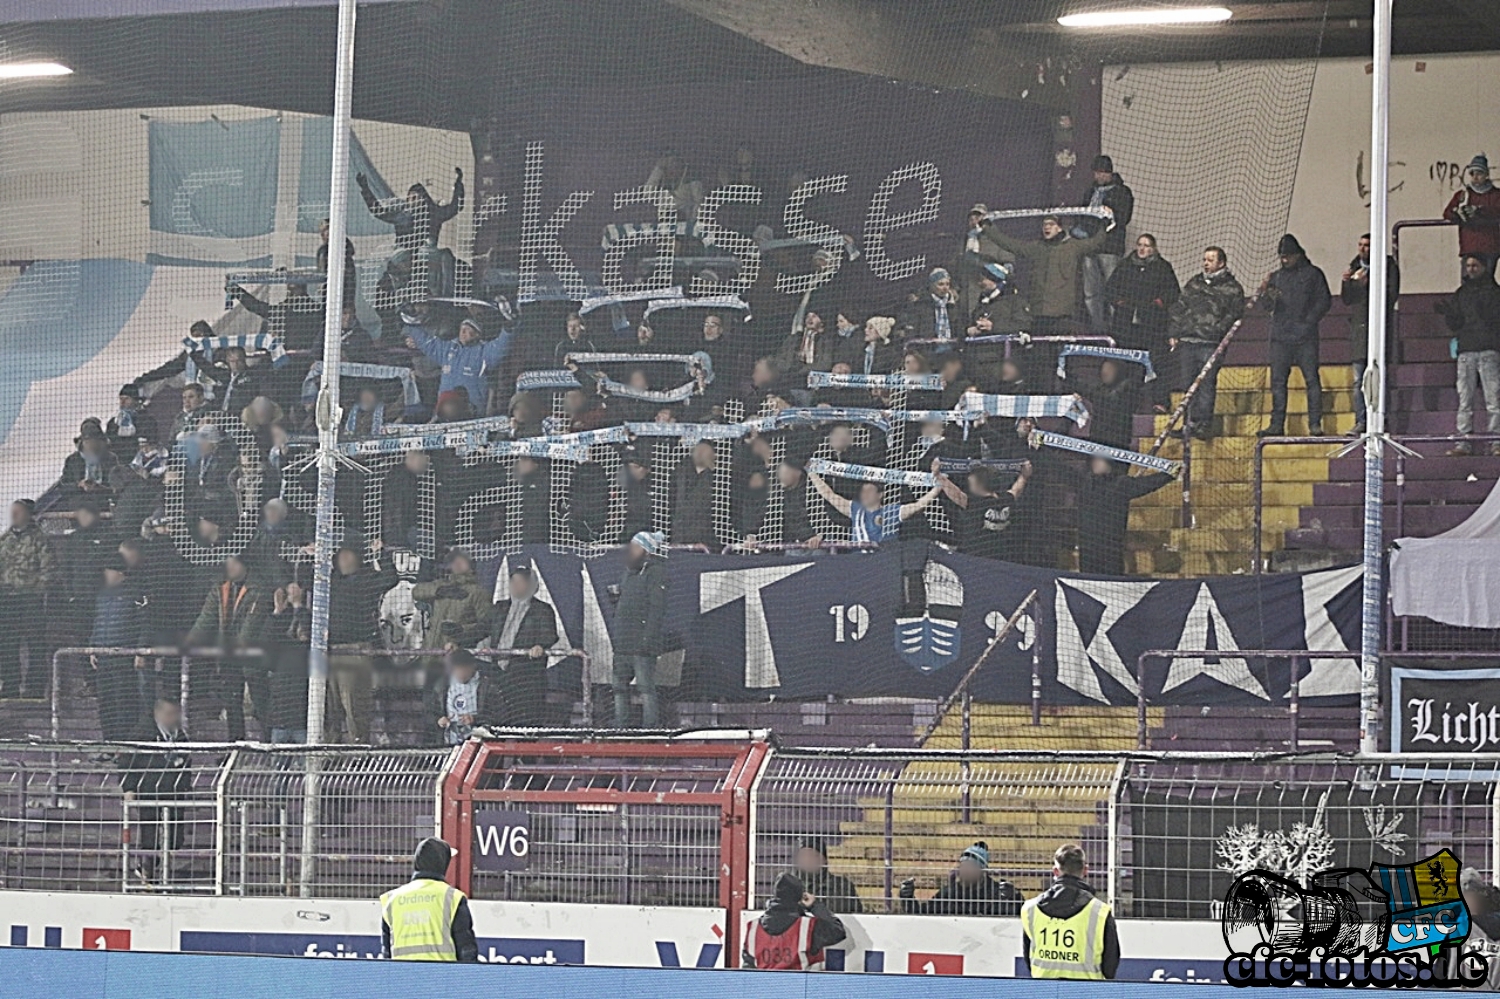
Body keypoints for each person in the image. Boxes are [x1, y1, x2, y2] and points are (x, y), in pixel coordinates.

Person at [984, 213, 1110, 338]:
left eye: (1051, 224)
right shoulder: (1037, 247)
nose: (1046, 227)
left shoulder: (1073, 246)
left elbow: (1096, 243)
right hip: (1038, 314)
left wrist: (1104, 224)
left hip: (1062, 315)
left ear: (1059, 228)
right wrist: (988, 229)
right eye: (1044, 224)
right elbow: (1011, 245)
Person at [184, 555, 269, 741]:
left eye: (233, 563)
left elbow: (251, 625)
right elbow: (206, 618)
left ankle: (268, 743)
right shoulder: (220, 587)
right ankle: (235, 745)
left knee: (260, 702)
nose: (229, 568)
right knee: (232, 703)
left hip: (253, 657)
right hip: (229, 657)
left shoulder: (259, 588)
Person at [1257, 234, 1332, 437]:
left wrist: (1307, 322)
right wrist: (1265, 292)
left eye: (1288, 256)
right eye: (1282, 257)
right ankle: (1276, 424)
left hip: (1304, 336)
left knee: (1311, 380)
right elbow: (1266, 306)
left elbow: (1324, 302)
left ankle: (1315, 423)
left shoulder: (1313, 274)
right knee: (1278, 382)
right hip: (1281, 337)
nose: (1284, 260)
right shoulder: (1276, 277)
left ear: (1298, 255)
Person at [1168, 246, 1246, 440]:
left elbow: (1234, 315)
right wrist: (1175, 332)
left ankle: (1204, 424)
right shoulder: (1194, 283)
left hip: (1210, 343)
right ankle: (1188, 423)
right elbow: (1179, 307)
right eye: (1204, 259)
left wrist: (1216, 330)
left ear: (1221, 263)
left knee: (1206, 384)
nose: (1206, 263)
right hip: (1188, 341)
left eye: (1210, 260)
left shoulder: (1233, 288)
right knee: (1188, 385)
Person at [120, 697, 193, 884]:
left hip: (174, 792)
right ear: (158, 713)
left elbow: (186, 762)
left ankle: (155, 865)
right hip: (149, 790)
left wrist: (185, 785)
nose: (173, 718)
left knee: (176, 837)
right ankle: (148, 872)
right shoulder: (142, 733)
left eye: (176, 713)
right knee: (150, 834)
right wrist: (129, 787)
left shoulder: (180, 735)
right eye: (169, 714)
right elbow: (127, 761)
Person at [1021, 843, 1120, 980]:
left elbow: (1028, 958)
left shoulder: (1030, 909)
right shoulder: (1100, 912)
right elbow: (1110, 965)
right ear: (1085, 870)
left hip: (1044, 991)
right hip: (1087, 992)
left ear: (1055, 871)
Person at [1433, 253, 1500, 455]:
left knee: (1494, 399)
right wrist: (1448, 314)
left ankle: (1496, 440)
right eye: (1468, 265)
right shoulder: (1461, 293)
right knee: (1465, 399)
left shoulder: (1494, 293)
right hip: (1466, 349)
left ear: (1484, 267)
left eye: (1475, 265)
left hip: (1488, 348)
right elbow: (1456, 324)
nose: (1470, 269)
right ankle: (1464, 441)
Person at [1105, 234, 1180, 409]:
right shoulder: (1125, 266)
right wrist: (1120, 302)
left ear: (1153, 248)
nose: (1142, 249)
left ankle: (1160, 402)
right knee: (1129, 365)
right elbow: (1110, 290)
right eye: (1139, 245)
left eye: (1146, 245)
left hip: (1154, 326)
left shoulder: (1162, 267)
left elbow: (1173, 293)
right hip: (1127, 325)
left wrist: (1158, 303)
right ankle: (1128, 403)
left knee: (1158, 364)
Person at [327, 545, 392, 743]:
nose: (344, 560)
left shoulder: (367, 580)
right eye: (341, 556)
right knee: (330, 707)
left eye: (349, 554)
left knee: (354, 706)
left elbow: (390, 578)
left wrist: (382, 553)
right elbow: (304, 581)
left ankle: (358, 750)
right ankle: (331, 752)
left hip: (355, 649)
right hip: (329, 650)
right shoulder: (331, 581)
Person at [380, 836, 479, 963]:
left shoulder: (391, 900)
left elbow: (386, 955)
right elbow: (467, 951)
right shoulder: (452, 898)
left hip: (402, 979)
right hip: (443, 979)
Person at [1340, 234, 1400, 436]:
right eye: (1360, 245)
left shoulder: (1388, 265)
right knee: (1359, 381)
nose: (1363, 249)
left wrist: (1370, 285)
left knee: (1380, 377)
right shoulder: (1354, 265)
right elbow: (1347, 299)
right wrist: (1347, 282)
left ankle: (1382, 418)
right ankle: (1361, 420)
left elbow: (1391, 296)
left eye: (1367, 245)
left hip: (1380, 329)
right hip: (1359, 332)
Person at [486, 564, 560, 727]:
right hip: (499, 673)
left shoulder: (542, 610)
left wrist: (540, 645)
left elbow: (550, 635)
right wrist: (459, 638)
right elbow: (482, 629)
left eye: (520, 582)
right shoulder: (500, 608)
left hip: (526, 675)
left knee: (526, 721)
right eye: (513, 582)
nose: (515, 586)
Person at [1075, 458, 1177, 575]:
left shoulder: (1121, 484)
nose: (1096, 463)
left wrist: (1171, 473)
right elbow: (1061, 470)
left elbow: (1148, 483)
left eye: (1100, 460)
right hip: (1087, 549)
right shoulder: (1085, 483)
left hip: (1111, 550)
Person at [0, 499, 58, 699]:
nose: (13, 515)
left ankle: (35, 687)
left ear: (28, 514)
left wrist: (34, 589)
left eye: (18, 511)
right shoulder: (6, 539)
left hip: (30, 600)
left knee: (35, 644)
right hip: (7, 600)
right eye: (12, 511)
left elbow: (48, 570)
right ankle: (10, 685)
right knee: (7, 645)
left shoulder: (39, 539)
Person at [89, 559, 152, 741]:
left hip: (124, 656)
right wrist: (93, 646)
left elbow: (145, 623)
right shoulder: (102, 595)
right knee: (106, 702)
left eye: (109, 570)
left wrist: (140, 650)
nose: (106, 575)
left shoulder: (136, 593)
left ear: (119, 572)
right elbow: (98, 621)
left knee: (123, 702)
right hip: (103, 657)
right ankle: (109, 742)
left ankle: (124, 744)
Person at [612, 531, 668, 728]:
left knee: (645, 689)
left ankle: (650, 729)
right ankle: (621, 729)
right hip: (623, 644)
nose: (631, 550)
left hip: (642, 645)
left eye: (636, 547)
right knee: (619, 688)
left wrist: (648, 639)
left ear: (646, 551)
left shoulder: (656, 572)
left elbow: (656, 609)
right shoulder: (628, 573)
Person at [742, 872, 848, 970]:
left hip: (763, 988)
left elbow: (747, 968)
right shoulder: (808, 927)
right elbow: (838, 931)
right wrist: (814, 905)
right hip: (801, 987)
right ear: (800, 897)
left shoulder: (753, 927)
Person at [406, 318, 512, 415]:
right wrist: (410, 321)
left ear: (477, 334)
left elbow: (501, 346)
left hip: (472, 413)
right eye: (462, 329)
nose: (463, 333)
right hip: (444, 413)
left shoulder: (483, 352)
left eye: (468, 331)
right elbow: (427, 342)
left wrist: (508, 329)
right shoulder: (447, 349)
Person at [806, 471, 941, 547]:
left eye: (869, 491)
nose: (864, 494)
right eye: (863, 491)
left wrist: (938, 488)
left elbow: (918, 506)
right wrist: (811, 472)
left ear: (880, 495)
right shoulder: (855, 510)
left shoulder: (890, 512)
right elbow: (829, 495)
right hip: (858, 562)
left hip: (883, 562)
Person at [1079, 155, 1136, 333]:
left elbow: (1123, 218)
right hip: (1089, 247)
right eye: (1096, 173)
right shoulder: (1090, 192)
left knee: (1112, 290)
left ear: (1110, 173)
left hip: (1110, 249)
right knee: (1090, 291)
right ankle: (1097, 328)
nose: (1099, 177)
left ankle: (1115, 328)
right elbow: (1082, 214)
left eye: (1103, 173)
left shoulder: (1122, 192)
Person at [934, 459, 1032, 561]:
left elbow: (955, 493)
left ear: (979, 484)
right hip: (1004, 557)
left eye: (971, 482)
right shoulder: (1006, 499)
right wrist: (1024, 476)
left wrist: (938, 475)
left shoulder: (976, 503)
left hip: (978, 558)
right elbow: (1017, 489)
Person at [899, 841, 1024, 916]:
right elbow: (923, 916)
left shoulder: (997, 893)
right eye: (963, 865)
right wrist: (907, 897)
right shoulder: (949, 893)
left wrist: (1015, 898)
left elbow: (1021, 916)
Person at [411, 550, 490, 657]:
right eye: (454, 561)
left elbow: (485, 624)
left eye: (462, 561)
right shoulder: (441, 584)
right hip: (430, 647)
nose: (457, 564)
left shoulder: (478, 592)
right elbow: (417, 591)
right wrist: (439, 590)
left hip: (455, 649)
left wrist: (462, 629)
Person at [426, 649, 497, 746]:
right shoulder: (442, 686)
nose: (460, 673)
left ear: (473, 667)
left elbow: (497, 715)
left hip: (478, 743)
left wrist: (475, 719)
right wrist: (438, 720)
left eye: (464, 669)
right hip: (449, 742)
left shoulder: (487, 686)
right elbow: (430, 711)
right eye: (457, 669)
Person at [1443, 154, 1500, 270]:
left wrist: (1479, 211)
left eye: (1479, 173)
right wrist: (1458, 213)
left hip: (1489, 248)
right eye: (1472, 173)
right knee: (1468, 283)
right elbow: (1447, 213)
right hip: (1469, 247)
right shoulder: (1463, 194)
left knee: (1487, 283)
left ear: (1486, 175)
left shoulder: (1496, 195)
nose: (1475, 177)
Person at [382, 446, 431, 551]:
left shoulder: (425, 477)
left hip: (408, 529)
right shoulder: (400, 476)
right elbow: (394, 507)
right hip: (402, 531)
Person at [793, 840, 863, 914]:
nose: (807, 860)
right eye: (803, 856)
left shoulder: (842, 886)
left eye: (813, 855)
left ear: (824, 860)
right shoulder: (790, 885)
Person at [671, 440, 717, 549]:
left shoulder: (719, 479)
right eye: (698, 449)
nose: (700, 452)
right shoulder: (681, 473)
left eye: (704, 450)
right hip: (679, 538)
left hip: (706, 541)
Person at [901, 267, 963, 347]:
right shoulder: (921, 305)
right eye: (940, 284)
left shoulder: (953, 305)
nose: (945, 288)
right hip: (927, 349)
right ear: (932, 285)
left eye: (947, 284)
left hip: (951, 347)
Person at [106, 383, 156, 462]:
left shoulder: (146, 420)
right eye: (121, 399)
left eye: (126, 399)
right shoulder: (113, 422)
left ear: (135, 400)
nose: (122, 402)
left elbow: (150, 443)